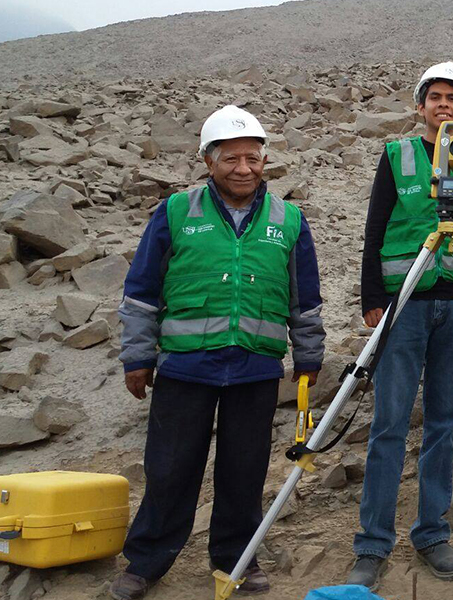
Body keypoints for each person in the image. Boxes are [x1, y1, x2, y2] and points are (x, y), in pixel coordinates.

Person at [111, 105, 325, 600]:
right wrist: (137, 357)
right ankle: (145, 562)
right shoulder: (175, 212)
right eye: (231, 159)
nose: (244, 169)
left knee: (244, 472)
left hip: (255, 368)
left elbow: (305, 299)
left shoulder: (289, 219)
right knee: (169, 469)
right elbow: (141, 292)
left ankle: (237, 560)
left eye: (253, 158)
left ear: (265, 159)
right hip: (186, 366)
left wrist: (308, 358)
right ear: (208, 160)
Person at [350, 61, 453, 590]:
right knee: (389, 423)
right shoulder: (396, 156)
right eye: (434, 97)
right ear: (421, 106)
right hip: (406, 302)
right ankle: (372, 543)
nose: (443, 105)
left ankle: (432, 532)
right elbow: (375, 226)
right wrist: (373, 297)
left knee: (443, 422)